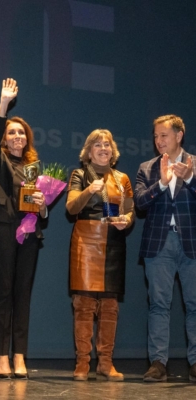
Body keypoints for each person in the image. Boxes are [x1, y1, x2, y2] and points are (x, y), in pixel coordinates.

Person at [0, 78, 47, 379]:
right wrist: (3, 105)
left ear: (27, 138)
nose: (17, 136)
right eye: (12, 132)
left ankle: (20, 354)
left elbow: (41, 208)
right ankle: (1, 356)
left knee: (23, 293)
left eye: (21, 132)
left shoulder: (35, 167)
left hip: (30, 233)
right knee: (4, 292)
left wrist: (43, 206)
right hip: (5, 229)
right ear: (6, 139)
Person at [66, 129, 134, 381]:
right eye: (97, 145)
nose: (103, 148)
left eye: (107, 144)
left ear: (112, 151)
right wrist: (89, 191)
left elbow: (130, 210)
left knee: (110, 306)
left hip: (113, 242)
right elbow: (71, 208)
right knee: (83, 305)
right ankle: (82, 363)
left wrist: (125, 221)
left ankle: (106, 362)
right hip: (86, 241)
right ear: (89, 151)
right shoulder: (80, 175)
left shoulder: (122, 178)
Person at [134, 114, 196, 383]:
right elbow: (139, 203)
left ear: (179, 136)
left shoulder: (194, 165)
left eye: (164, 135)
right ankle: (158, 362)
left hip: (191, 244)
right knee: (159, 305)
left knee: (195, 305)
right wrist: (160, 184)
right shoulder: (147, 167)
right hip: (158, 244)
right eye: (156, 136)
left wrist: (192, 179)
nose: (159, 141)